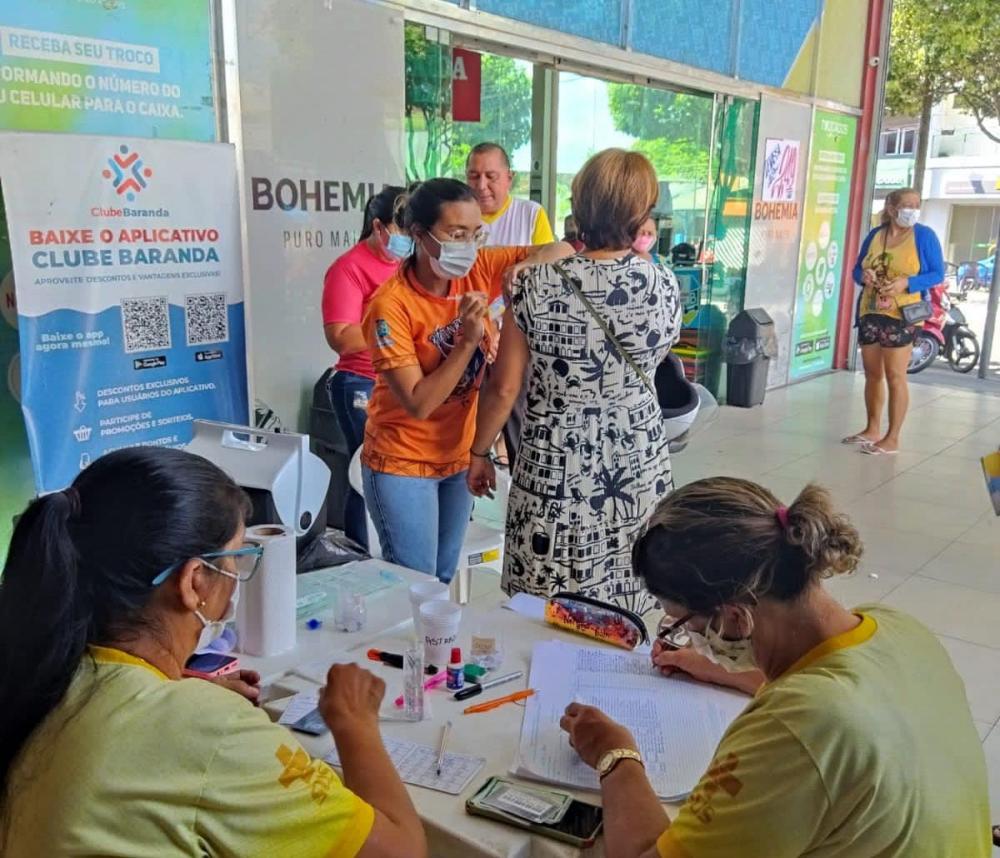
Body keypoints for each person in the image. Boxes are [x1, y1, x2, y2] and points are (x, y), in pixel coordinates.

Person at [0, 447, 426, 857]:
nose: (238, 575)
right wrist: (354, 721)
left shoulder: (43, 667)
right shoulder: (205, 728)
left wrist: (178, 691)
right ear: (195, 581)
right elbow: (402, 853)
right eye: (236, 558)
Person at [559, 477, 990, 858]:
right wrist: (719, 669)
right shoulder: (895, 629)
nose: (684, 637)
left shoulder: (800, 725)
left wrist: (615, 756)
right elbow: (837, 689)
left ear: (734, 618)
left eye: (683, 624)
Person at [467, 149, 682, 615]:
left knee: (546, 602)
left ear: (578, 205)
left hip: (556, 458)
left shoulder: (536, 285)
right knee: (629, 590)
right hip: (637, 459)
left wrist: (480, 452)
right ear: (641, 213)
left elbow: (505, 387)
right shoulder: (664, 283)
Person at [361, 178, 572, 582]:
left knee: (442, 576)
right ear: (420, 235)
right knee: (415, 584)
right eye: (456, 234)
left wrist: (523, 268)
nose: (468, 246)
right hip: (402, 462)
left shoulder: (477, 268)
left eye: (475, 234)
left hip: (456, 459)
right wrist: (466, 342)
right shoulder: (391, 307)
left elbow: (562, 251)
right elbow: (419, 403)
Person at [322, 185, 410, 548]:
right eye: (402, 229)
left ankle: (391, 547)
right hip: (361, 382)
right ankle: (360, 552)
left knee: (399, 473)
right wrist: (395, 329)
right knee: (367, 471)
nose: (409, 238)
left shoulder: (409, 267)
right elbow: (341, 336)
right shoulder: (349, 267)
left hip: (404, 382)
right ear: (379, 227)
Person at [844, 187, 943, 455]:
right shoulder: (876, 235)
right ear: (891, 208)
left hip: (903, 315)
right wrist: (863, 276)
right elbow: (855, 269)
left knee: (895, 375)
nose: (912, 210)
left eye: (916, 204)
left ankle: (892, 437)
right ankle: (872, 428)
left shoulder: (924, 236)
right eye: (907, 204)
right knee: (872, 373)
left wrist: (907, 283)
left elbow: (937, 273)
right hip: (871, 310)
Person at [465, 142, 555, 247]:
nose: (481, 186)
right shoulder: (454, 216)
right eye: (474, 176)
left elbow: (549, 258)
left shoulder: (531, 214)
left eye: (491, 176)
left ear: (509, 178)